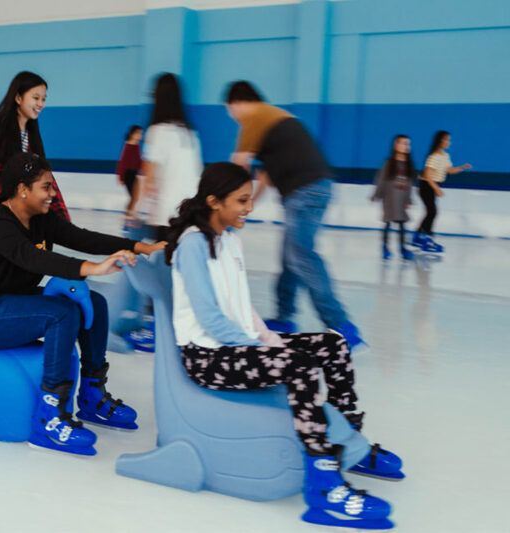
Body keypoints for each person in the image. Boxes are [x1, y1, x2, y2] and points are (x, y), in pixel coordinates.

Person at [167, 162, 402, 529]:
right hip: (208, 356)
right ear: (214, 202)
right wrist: (266, 350)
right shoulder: (193, 246)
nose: (249, 207)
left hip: (237, 346)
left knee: (332, 344)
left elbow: (243, 308)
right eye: (241, 200)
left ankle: (347, 443)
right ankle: (323, 486)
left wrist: (268, 339)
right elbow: (210, 319)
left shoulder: (228, 238)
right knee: (301, 366)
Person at [0, 153, 165, 455]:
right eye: (46, 187)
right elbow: (33, 258)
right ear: (22, 189)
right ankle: (49, 416)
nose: (53, 194)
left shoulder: (40, 219)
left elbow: (81, 237)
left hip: (16, 302)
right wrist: (93, 268)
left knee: (94, 302)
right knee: (61, 314)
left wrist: (140, 246)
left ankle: (92, 395)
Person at [225, 80, 364, 350]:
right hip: (317, 187)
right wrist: (247, 205)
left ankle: (341, 325)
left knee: (302, 256)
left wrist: (225, 208)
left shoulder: (254, 116)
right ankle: (284, 317)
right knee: (291, 257)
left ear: (237, 102)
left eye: (230, 111)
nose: (233, 117)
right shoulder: (275, 118)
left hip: (305, 191)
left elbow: (238, 167)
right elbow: (263, 176)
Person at [0, 71, 69, 239]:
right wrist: (7, 206)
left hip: (17, 217)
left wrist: (63, 219)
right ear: (19, 98)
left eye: (43, 99)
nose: (41, 103)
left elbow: (43, 177)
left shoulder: (31, 135)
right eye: (36, 98)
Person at [130, 73, 202, 242]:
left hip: (167, 215)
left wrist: (133, 210)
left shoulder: (158, 132)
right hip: (191, 214)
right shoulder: (191, 134)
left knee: (161, 264)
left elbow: (147, 179)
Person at [411, 130, 472, 253]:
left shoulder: (445, 156)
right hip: (426, 186)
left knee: (430, 212)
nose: (449, 142)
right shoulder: (433, 156)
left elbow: (449, 170)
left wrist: (462, 168)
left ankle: (417, 237)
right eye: (446, 139)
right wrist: (437, 189)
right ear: (440, 141)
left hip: (432, 186)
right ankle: (427, 239)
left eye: (449, 140)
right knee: (432, 212)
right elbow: (427, 175)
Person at [372, 134, 416, 261]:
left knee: (402, 224)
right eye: (403, 143)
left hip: (402, 198)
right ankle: (385, 248)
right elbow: (381, 179)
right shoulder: (388, 163)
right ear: (396, 145)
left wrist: (408, 200)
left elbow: (409, 184)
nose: (406, 146)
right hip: (390, 198)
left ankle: (403, 248)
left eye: (407, 144)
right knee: (388, 223)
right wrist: (377, 194)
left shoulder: (409, 164)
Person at [116, 125, 143, 217]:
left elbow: (138, 160)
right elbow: (123, 162)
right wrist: (120, 177)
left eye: (141, 133)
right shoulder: (128, 145)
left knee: (136, 196)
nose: (140, 135)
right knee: (134, 196)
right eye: (138, 133)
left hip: (134, 173)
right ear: (132, 134)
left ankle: (129, 213)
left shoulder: (136, 146)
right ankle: (128, 214)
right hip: (128, 174)